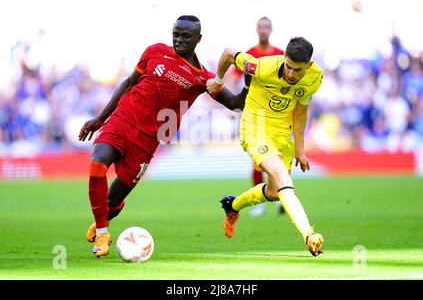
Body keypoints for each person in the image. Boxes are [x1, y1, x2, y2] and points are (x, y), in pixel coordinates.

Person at [78, 15, 248, 258]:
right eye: (175, 34)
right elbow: (128, 83)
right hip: (123, 119)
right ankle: (103, 232)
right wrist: (100, 118)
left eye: (185, 36)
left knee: (113, 199)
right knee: (97, 164)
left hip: (148, 139)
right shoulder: (155, 51)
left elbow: (233, 104)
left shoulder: (203, 78)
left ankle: (103, 218)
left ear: (198, 39)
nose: (179, 39)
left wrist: (249, 83)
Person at [207, 37, 324, 256]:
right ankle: (309, 235)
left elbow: (300, 111)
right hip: (255, 128)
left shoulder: (314, 78)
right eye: (288, 67)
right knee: (282, 176)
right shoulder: (260, 66)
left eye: (297, 70)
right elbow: (229, 53)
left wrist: (299, 148)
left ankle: (233, 206)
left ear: (308, 66)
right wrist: (218, 80)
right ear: (284, 59)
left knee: (274, 192)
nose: (290, 74)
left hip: (282, 134)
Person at [231, 16, 285, 217]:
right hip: (256, 113)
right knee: (258, 159)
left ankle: (281, 195)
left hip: (277, 114)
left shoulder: (280, 54)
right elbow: (236, 79)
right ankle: (260, 201)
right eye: (261, 27)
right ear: (256, 29)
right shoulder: (249, 54)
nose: (264, 30)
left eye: (267, 27)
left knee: (280, 155)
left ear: (271, 29)